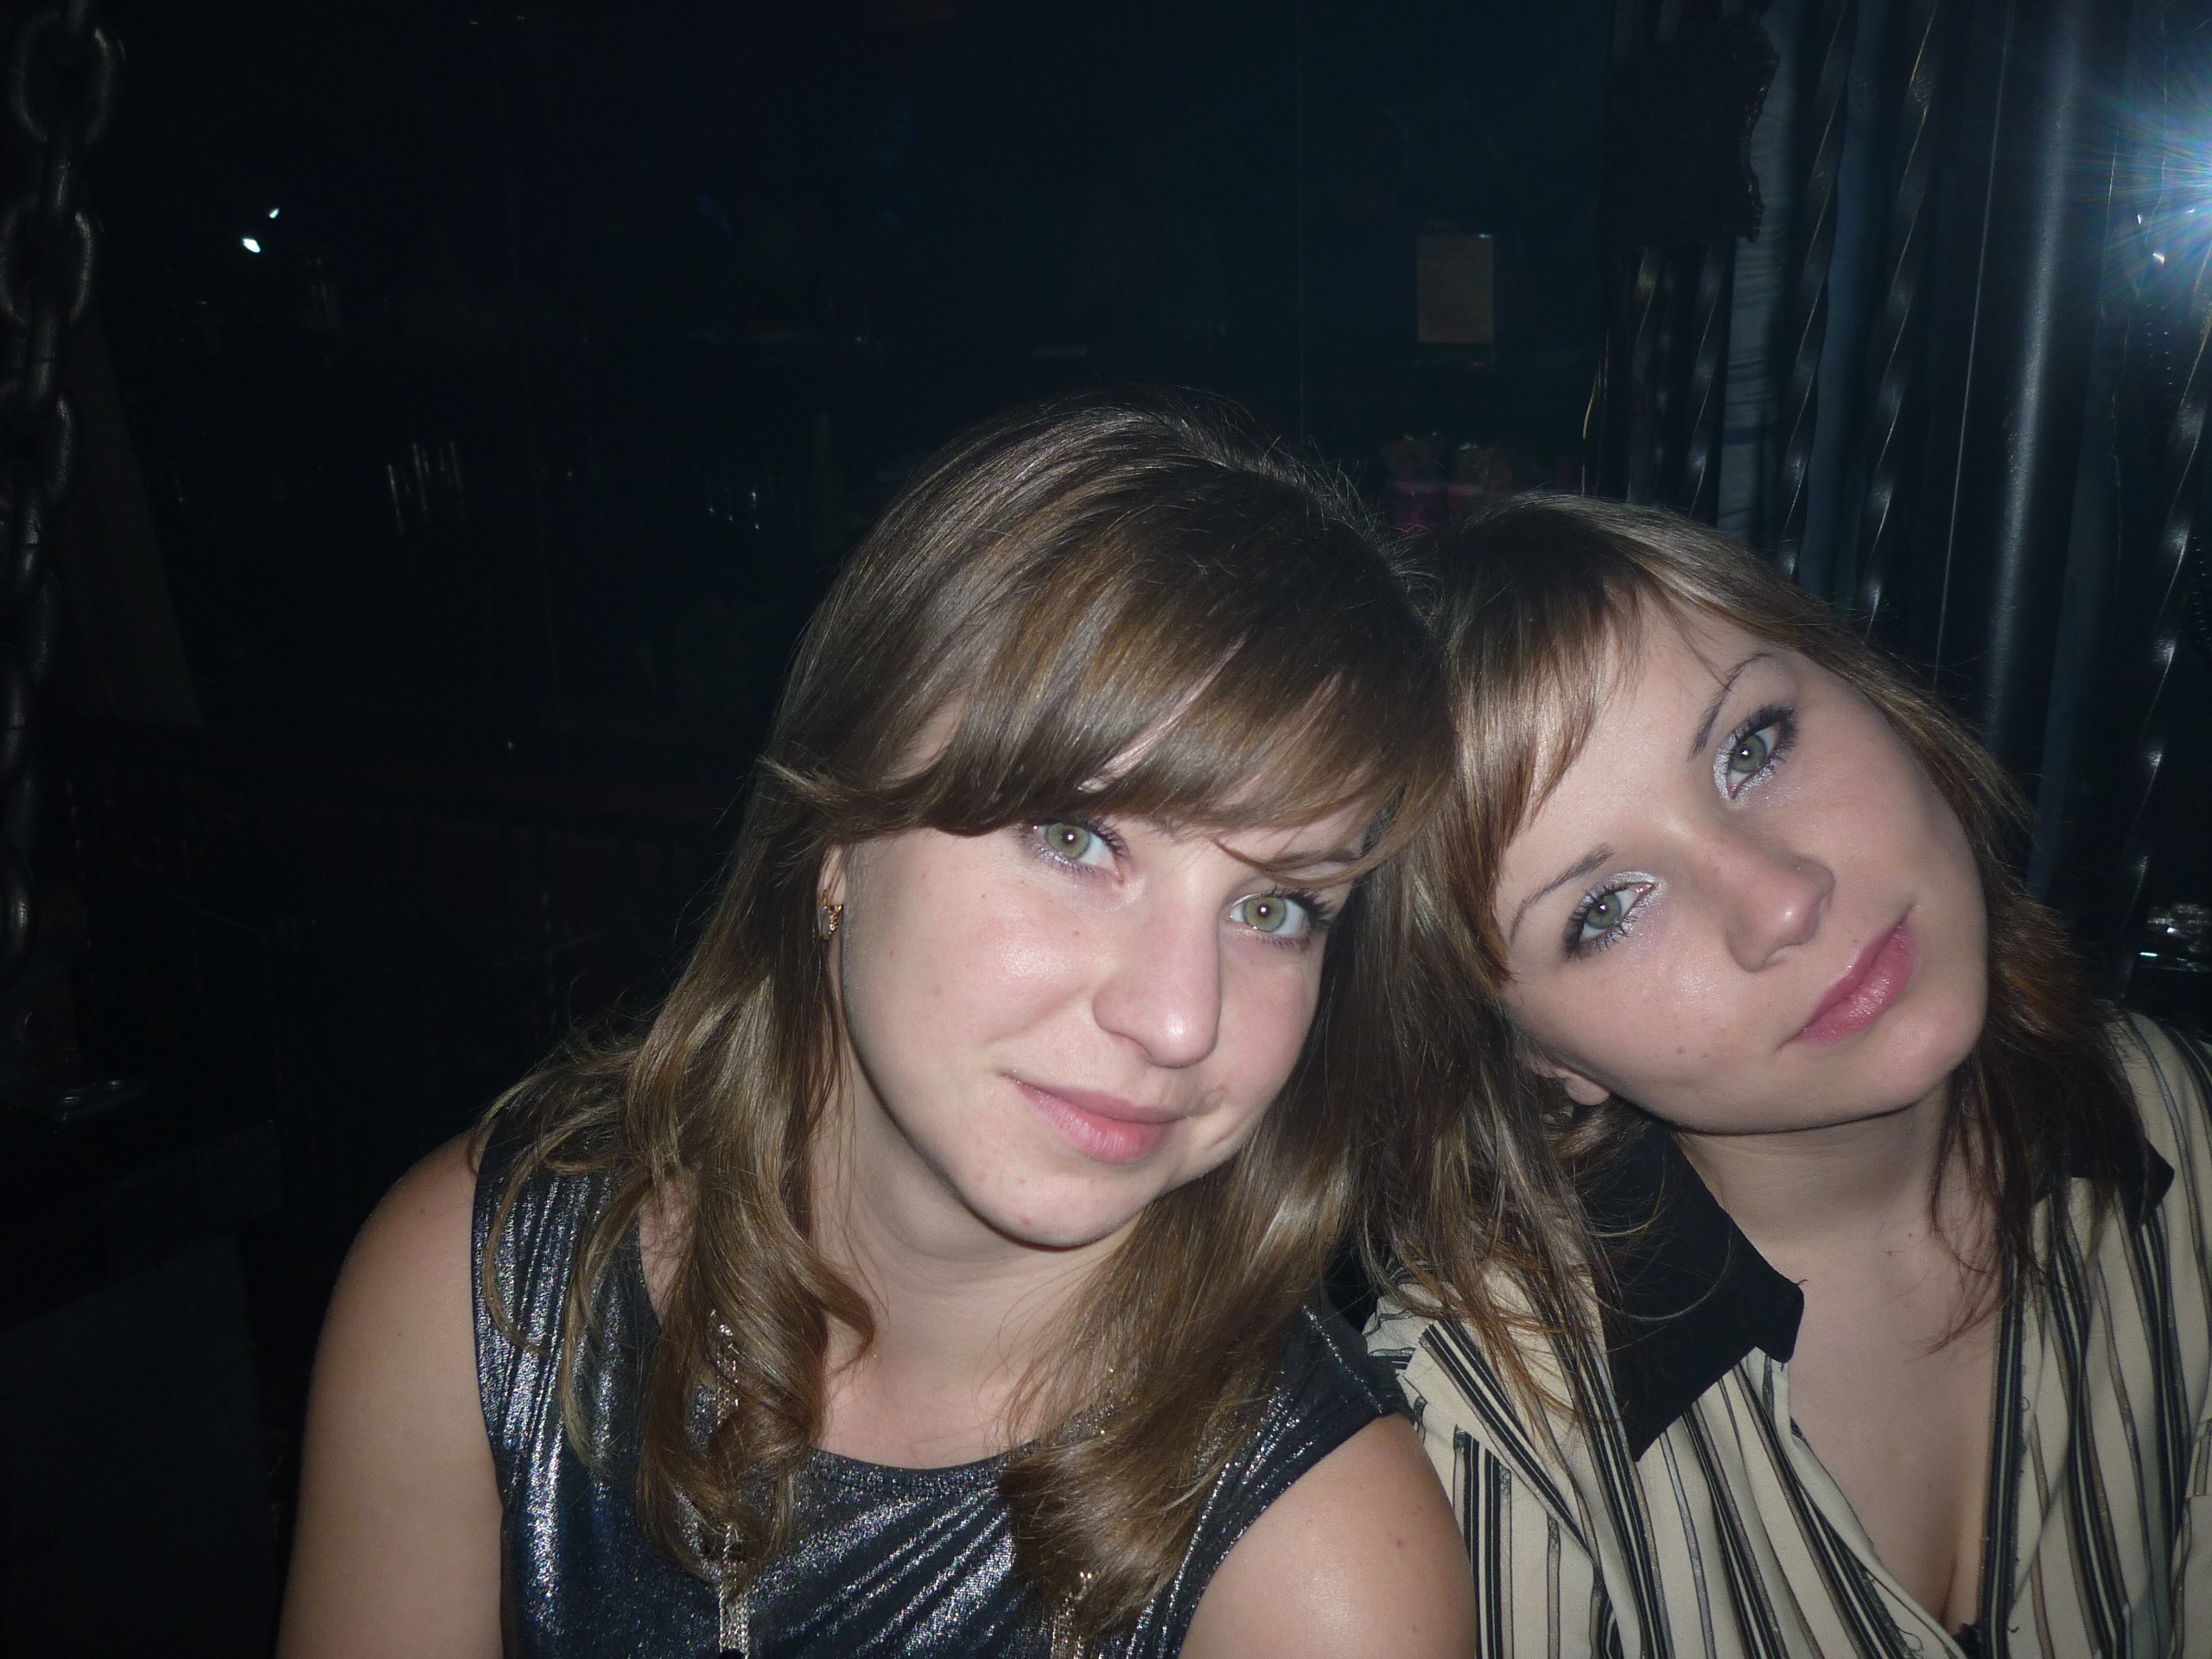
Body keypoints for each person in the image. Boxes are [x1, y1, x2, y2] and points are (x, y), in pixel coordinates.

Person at [276, 389, 1474, 1659]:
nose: (1181, 1019)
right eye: (1078, 839)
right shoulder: (489, 1292)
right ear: (839, 834)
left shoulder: (1326, 1568)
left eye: (1278, 908)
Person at [1364, 493, 2212, 1656]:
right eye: (1605, 910)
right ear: (1542, 1058)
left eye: (1752, 747)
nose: (1781, 901)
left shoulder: (2171, 1115)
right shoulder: (1472, 1443)